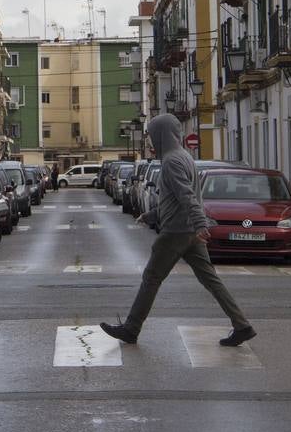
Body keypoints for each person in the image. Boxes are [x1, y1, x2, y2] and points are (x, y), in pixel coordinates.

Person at [101, 114, 255, 347]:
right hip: (190, 231)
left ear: (162, 135)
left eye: (153, 136)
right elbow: (174, 198)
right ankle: (242, 325)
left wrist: (201, 223)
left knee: (151, 278)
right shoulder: (185, 157)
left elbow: (186, 195)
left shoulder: (172, 161)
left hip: (176, 233)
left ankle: (131, 328)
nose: (152, 142)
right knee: (211, 280)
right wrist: (153, 215)